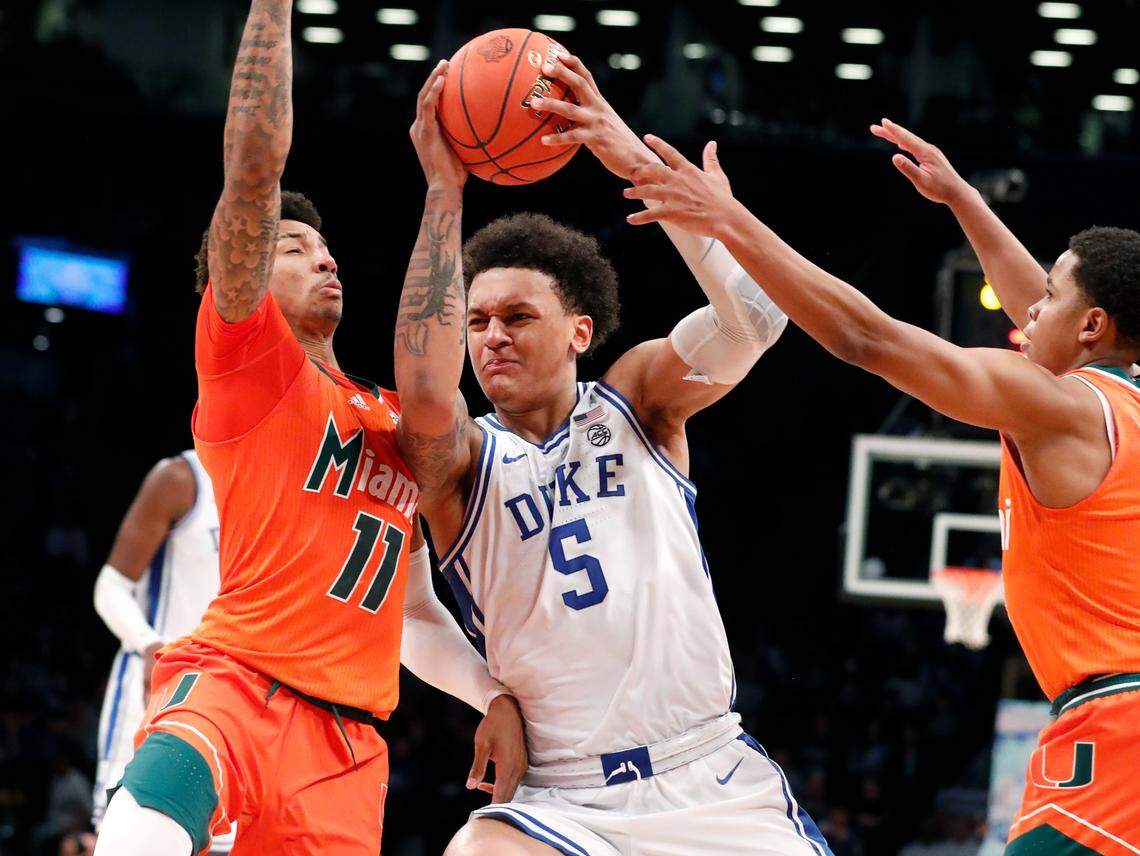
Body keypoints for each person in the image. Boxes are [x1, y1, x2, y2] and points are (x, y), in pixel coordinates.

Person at [624, 121, 1140, 854]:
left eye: (1049, 295)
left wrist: (728, 222)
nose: (1029, 309)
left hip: (1119, 736)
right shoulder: (1118, 400)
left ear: (1091, 323)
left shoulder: (1062, 407)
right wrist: (964, 200)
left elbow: (866, 338)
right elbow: (1056, 317)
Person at [93, 3, 525, 854]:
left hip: (346, 747)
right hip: (232, 685)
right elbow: (253, 171)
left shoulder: (398, 423)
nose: (323, 255)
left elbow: (415, 616)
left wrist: (493, 694)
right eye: (293, 247)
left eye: (323, 247)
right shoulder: (249, 364)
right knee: (136, 837)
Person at [396, 55, 832, 855]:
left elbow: (753, 324)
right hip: (561, 796)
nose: (493, 335)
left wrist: (631, 159)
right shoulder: (459, 462)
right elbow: (424, 395)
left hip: (709, 778)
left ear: (580, 331)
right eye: (479, 319)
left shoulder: (637, 400)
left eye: (519, 316)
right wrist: (442, 195)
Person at [92, 452, 235, 853]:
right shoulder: (181, 478)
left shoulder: (286, 487)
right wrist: (149, 643)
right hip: (157, 690)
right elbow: (110, 587)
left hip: (230, 700)